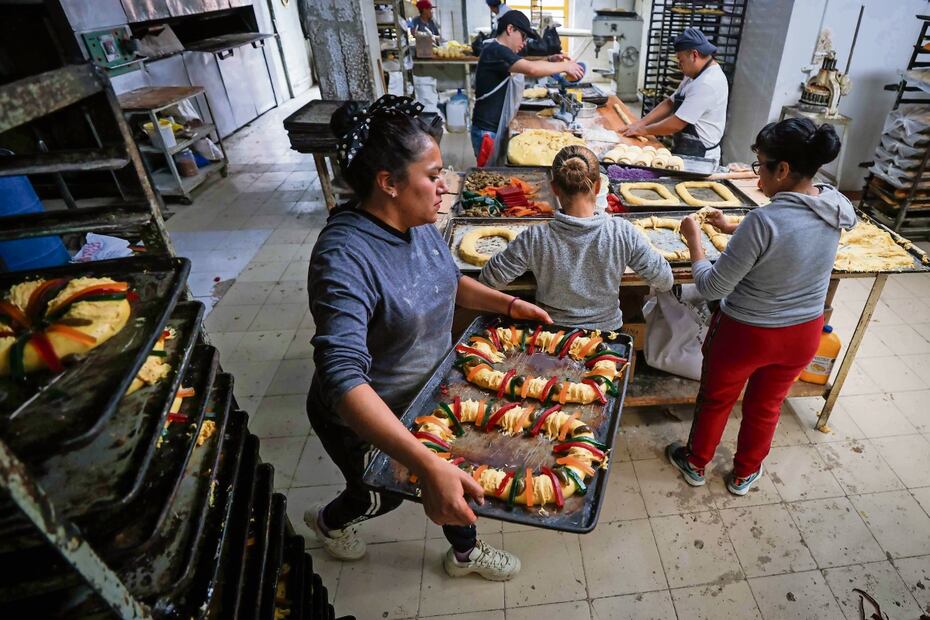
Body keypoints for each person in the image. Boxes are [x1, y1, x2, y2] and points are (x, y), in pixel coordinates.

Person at [305, 95, 552, 580]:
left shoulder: (416, 222)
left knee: (448, 471)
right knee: (380, 496)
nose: (444, 187)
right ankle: (330, 522)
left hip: (429, 395)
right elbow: (341, 378)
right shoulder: (344, 258)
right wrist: (422, 460)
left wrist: (508, 304)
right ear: (389, 183)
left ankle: (464, 553)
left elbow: (445, 280)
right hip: (368, 417)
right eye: (434, 175)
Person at [666, 118, 855, 495]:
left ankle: (696, 462)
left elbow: (712, 285)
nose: (757, 176)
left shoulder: (763, 221)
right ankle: (744, 474)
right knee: (767, 405)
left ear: (782, 170)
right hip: (803, 334)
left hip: (746, 335)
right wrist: (731, 227)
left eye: (760, 166)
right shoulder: (835, 204)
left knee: (717, 400)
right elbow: (791, 231)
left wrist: (694, 241)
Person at [479, 145, 674, 330]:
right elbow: (665, 280)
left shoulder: (535, 238)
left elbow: (488, 280)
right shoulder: (622, 232)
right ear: (598, 187)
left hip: (553, 338)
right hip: (607, 337)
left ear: (554, 188)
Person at [471, 10, 583, 164]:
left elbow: (524, 64)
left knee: (496, 170)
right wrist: (565, 66)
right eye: (523, 36)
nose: (524, 43)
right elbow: (531, 69)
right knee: (488, 176)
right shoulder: (496, 51)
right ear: (510, 29)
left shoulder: (497, 50)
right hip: (487, 132)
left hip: (493, 127)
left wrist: (549, 60)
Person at [622, 27, 729, 165]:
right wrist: (640, 123)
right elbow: (669, 103)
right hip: (687, 148)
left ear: (694, 55)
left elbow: (676, 124)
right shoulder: (694, 74)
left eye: (681, 60)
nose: (679, 65)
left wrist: (643, 130)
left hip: (700, 158)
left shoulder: (707, 83)